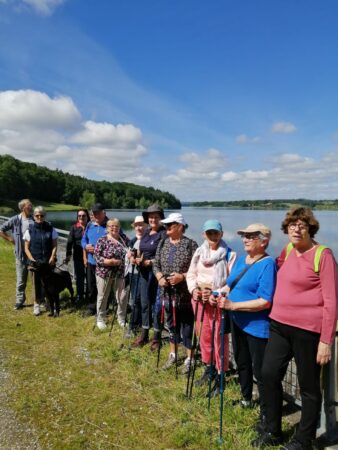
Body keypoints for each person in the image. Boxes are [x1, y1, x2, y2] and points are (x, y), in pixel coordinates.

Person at [252, 208, 338, 450]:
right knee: (268, 374)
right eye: (292, 225)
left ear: (310, 228)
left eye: (302, 225)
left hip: (308, 331)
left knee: (309, 387)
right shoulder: (288, 250)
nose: (296, 229)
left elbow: (332, 301)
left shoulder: (323, 255)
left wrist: (326, 340)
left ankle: (304, 440)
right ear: (286, 229)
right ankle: (272, 429)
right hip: (279, 325)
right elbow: (274, 272)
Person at [219, 224, 276, 427]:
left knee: (260, 371)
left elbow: (265, 301)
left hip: (257, 326)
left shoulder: (268, 264)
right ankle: (246, 399)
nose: (245, 239)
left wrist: (233, 305)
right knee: (242, 362)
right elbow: (231, 283)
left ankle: (266, 411)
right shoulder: (242, 259)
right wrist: (218, 293)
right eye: (244, 236)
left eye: (251, 236)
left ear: (264, 241)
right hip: (237, 321)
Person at [186, 219, 236, 395]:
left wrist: (215, 293)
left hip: (217, 302)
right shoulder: (199, 252)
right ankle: (209, 368)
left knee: (219, 338)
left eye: (216, 233)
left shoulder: (230, 254)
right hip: (199, 300)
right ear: (203, 235)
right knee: (204, 336)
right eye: (209, 233)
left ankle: (221, 372)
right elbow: (191, 274)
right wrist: (194, 290)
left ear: (221, 234)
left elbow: (231, 283)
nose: (212, 236)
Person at [153, 212, 198, 372]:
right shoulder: (163, 243)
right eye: (165, 225)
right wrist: (159, 277)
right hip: (166, 293)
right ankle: (173, 354)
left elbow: (197, 270)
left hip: (184, 295)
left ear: (179, 226)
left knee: (187, 326)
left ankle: (190, 359)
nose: (166, 228)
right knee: (171, 324)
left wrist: (182, 277)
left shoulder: (191, 245)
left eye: (169, 225)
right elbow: (155, 264)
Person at [132, 204, 167, 350]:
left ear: (160, 218)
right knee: (145, 304)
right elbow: (141, 249)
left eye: (156, 217)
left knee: (157, 306)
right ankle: (144, 335)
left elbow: (163, 256)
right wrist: (137, 257)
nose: (153, 219)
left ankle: (157, 338)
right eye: (150, 217)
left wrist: (150, 262)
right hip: (144, 273)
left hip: (157, 274)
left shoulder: (164, 234)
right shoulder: (146, 232)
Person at [94, 218, 129, 330]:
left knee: (122, 296)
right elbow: (96, 256)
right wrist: (108, 262)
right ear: (107, 228)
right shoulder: (102, 240)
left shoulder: (124, 239)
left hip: (120, 273)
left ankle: (121, 318)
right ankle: (100, 319)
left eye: (117, 226)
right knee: (103, 296)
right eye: (112, 226)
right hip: (104, 273)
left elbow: (129, 252)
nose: (114, 228)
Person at [23, 206, 58, 316]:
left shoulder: (51, 228)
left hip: (48, 262)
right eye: (37, 215)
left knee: (48, 283)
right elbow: (26, 248)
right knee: (36, 284)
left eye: (41, 215)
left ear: (44, 216)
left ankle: (48, 302)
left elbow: (55, 245)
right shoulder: (30, 230)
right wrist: (31, 259)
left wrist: (53, 256)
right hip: (36, 262)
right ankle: (36, 305)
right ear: (34, 216)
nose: (39, 217)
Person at [0, 199, 34, 310]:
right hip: (20, 254)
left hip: (33, 254)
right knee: (21, 280)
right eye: (29, 205)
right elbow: (1, 230)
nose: (31, 207)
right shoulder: (15, 219)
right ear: (23, 207)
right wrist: (10, 239)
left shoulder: (34, 218)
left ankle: (39, 300)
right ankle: (19, 301)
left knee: (36, 279)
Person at [81, 203, 109, 314]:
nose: (96, 215)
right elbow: (84, 240)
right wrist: (85, 246)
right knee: (91, 285)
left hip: (104, 263)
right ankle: (92, 307)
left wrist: (98, 249)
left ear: (104, 212)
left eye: (98, 213)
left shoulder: (110, 225)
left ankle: (104, 308)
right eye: (94, 213)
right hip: (91, 262)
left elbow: (117, 242)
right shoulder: (89, 225)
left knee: (104, 288)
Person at [126, 215, 146, 336]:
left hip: (144, 273)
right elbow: (129, 255)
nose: (139, 227)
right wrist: (131, 257)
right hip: (133, 273)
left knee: (141, 300)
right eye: (137, 225)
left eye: (141, 225)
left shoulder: (148, 239)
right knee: (135, 300)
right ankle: (133, 325)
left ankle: (138, 324)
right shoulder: (132, 240)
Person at [65, 209, 90, 304]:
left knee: (89, 278)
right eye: (79, 216)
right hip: (78, 257)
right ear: (77, 217)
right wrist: (68, 255)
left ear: (87, 216)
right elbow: (69, 242)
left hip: (91, 257)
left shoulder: (91, 227)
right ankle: (79, 295)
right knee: (79, 277)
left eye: (83, 215)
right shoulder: (74, 228)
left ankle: (89, 296)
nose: (81, 217)